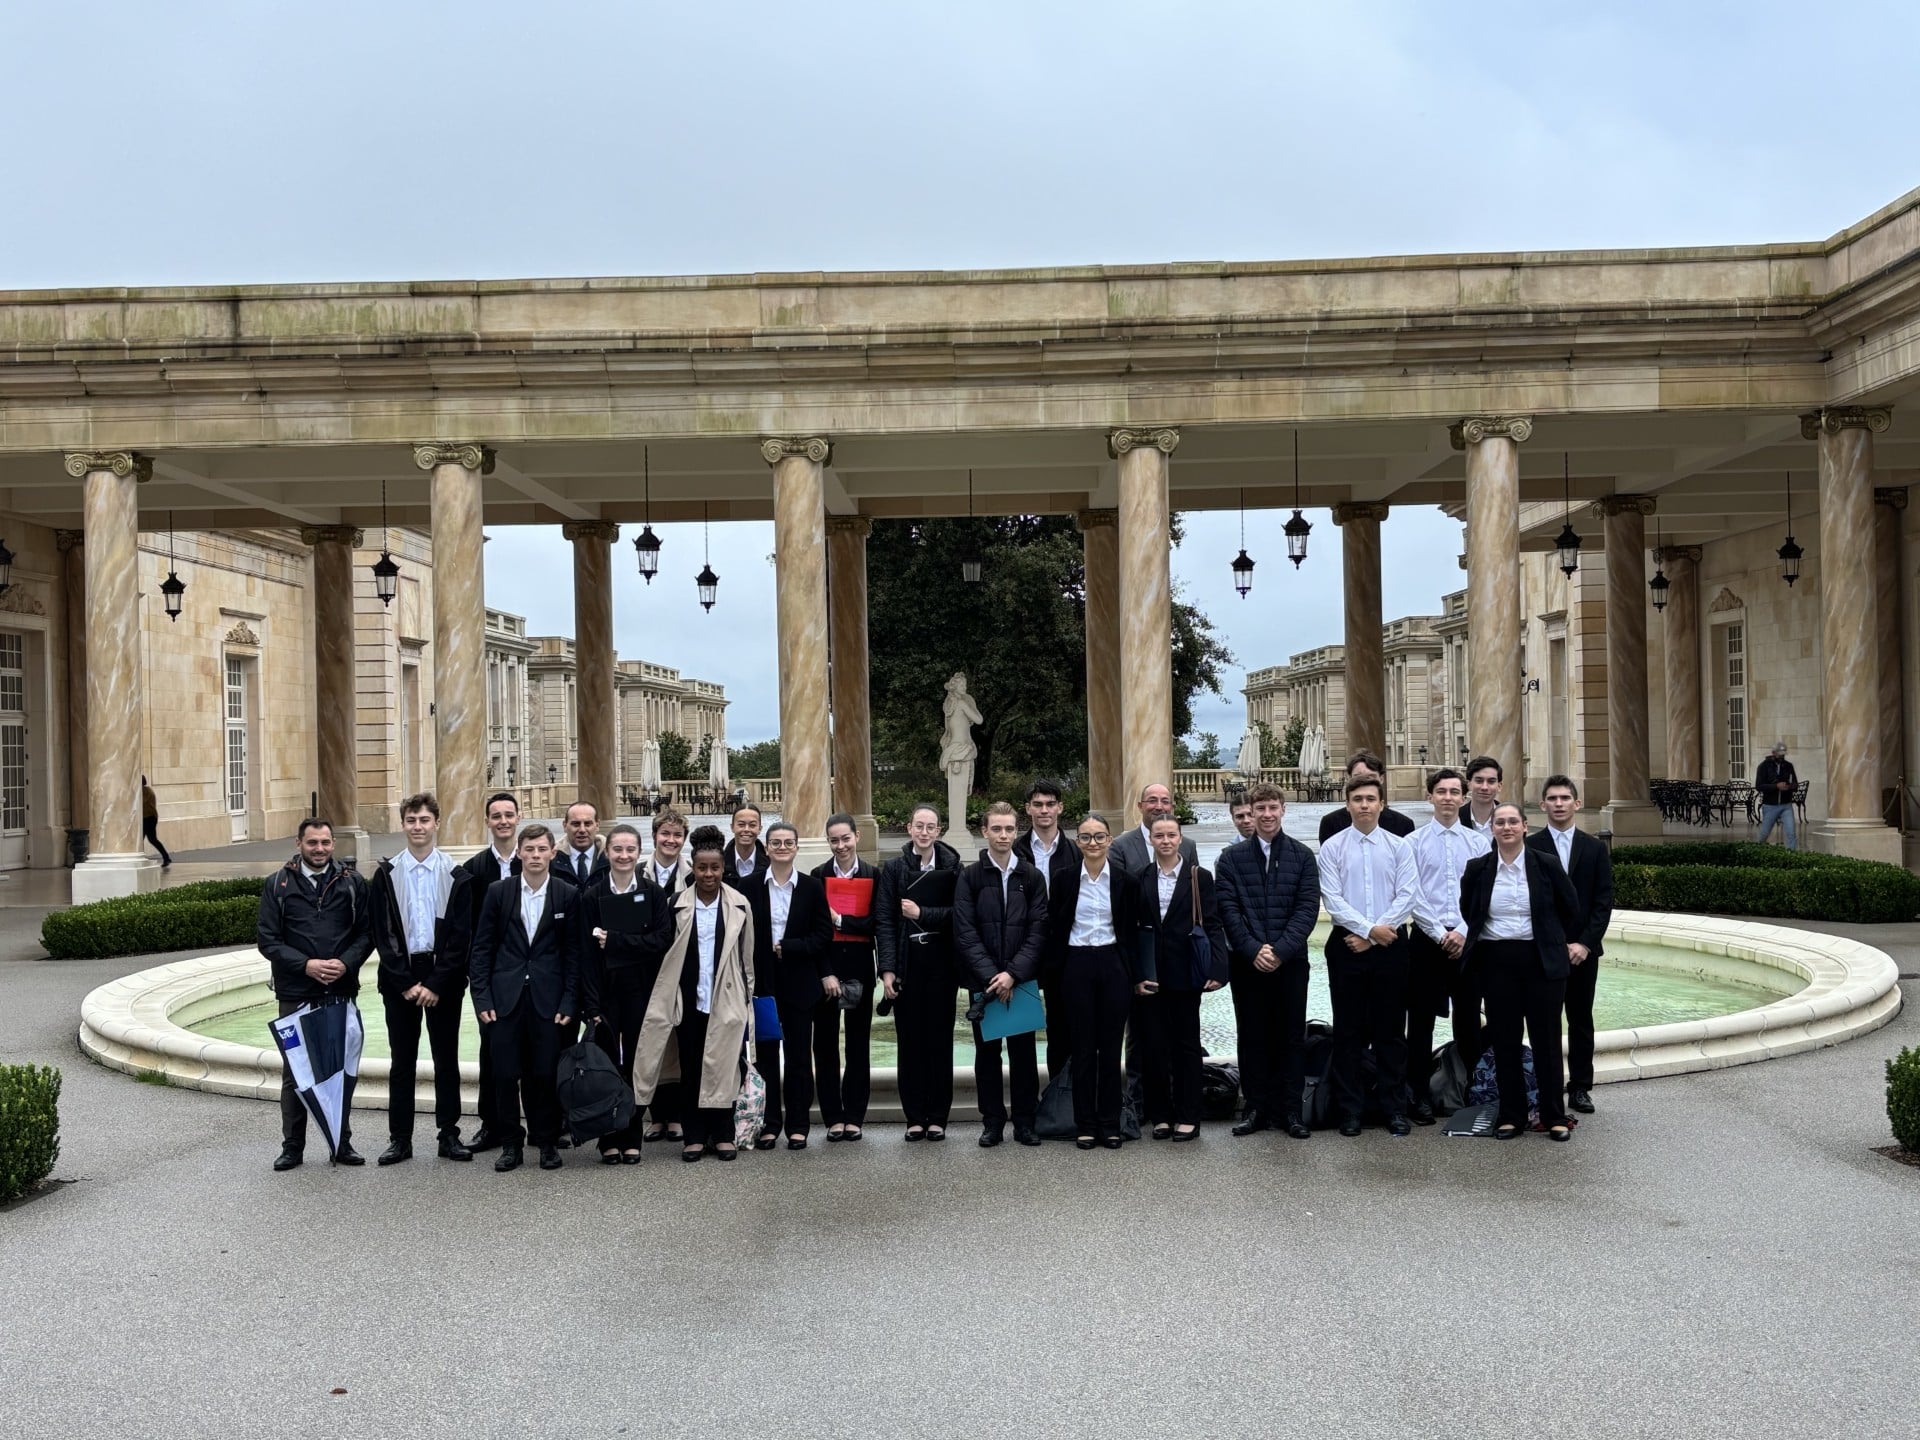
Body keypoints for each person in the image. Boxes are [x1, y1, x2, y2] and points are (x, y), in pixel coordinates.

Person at [1459, 802, 1582, 1141]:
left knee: (1546, 1042)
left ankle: (1553, 1115)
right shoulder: (1478, 868)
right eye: (1500, 822)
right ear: (1492, 829)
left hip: (1541, 962)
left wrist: (1552, 938)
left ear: (1525, 826)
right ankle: (1511, 1116)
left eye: (1513, 821)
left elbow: (1570, 908)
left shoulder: (1547, 865)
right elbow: (1470, 911)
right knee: (1505, 1043)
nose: (1507, 827)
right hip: (1497, 962)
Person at [632, 824, 755, 1162]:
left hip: (726, 1000)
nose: (708, 874)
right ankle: (694, 1134)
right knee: (690, 1067)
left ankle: (723, 1133)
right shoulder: (676, 904)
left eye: (715, 867)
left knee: (726, 1067)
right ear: (693, 867)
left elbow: (748, 959)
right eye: (702, 867)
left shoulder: (740, 905)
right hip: (687, 1000)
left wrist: (747, 1002)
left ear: (722, 868)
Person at [257, 818, 373, 1171]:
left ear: (333, 844)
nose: (319, 849)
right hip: (295, 990)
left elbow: (367, 934)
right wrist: (306, 965)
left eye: (325, 842)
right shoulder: (276, 884)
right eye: (312, 843)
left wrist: (345, 962)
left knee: (340, 1067)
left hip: (340, 988)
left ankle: (341, 1142)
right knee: (295, 1074)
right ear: (299, 843)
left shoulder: (352, 883)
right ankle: (293, 1147)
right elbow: (268, 940)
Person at [368, 792, 474, 1165]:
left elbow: (460, 936)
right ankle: (400, 1139)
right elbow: (383, 934)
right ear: (403, 825)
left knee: (447, 1059)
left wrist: (435, 983)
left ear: (437, 823)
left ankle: (449, 1134)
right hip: (401, 977)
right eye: (411, 820)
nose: (418, 827)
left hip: (441, 977)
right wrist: (405, 982)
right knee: (402, 1062)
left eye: (424, 820)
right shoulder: (386, 874)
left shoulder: (456, 875)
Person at [469, 824, 577, 1173]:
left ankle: (545, 1142)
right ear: (518, 853)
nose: (534, 856)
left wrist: (568, 1002)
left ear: (552, 853)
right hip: (504, 1000)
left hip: (548, 1000)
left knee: (544, 1074)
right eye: (528, 850)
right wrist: (482, 998)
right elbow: (482, 949)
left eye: (541, 849)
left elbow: (574, 955)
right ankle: (510, 1144)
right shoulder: (499, 893)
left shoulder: (566, 894)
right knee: (504, 1074)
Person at [1214, 783, 1319, 1139]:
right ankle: (1256, 1108)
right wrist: (1252, 948)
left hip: (1290, 962)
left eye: (1273, 807)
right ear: (1252, 813)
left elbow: (1306, 910)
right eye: (1261, 809)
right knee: (1253, 1035)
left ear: (1283, 809)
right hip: (1248, 964)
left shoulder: (1303, 856)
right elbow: (1228, 910)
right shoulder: (1231, 859)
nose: (1267, 814)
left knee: (1291, 1036)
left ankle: (1291, 1110)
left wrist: (1281, 950)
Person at [1316, 773, 1419, 1137]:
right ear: (1347, 804)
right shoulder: (1332, 848)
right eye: (1357, 799)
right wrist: (1365, 930)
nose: (1364, 805)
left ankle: (1394, 1108)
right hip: (1347, 948)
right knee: (1348, 1032)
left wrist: (1375, 936)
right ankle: (1350, 1110)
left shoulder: (1399, 846)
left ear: (1381, 804)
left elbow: (1407, 894)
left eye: (1370, 799)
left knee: (1391, 1031)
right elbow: (1332, 899)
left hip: (1390, 948)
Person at [1044, 811, 1154, 1149]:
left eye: (1099, 836)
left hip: (1113, 965)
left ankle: (1109, 1123)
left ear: (1109, 840)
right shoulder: (1062, 878)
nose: (1093, 842)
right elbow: (1054, 927)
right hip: (1075, 964)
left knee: (1109, 1049)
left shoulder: (1126, 880)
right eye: (1087, 837)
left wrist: (1139, 976)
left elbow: (1135, 934)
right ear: (1078, 842)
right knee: (1081, 1048)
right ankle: (1085, 1124)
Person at [575, 822, 676, 1162]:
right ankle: (608, 1140)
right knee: (606, 1067)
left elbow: (662, 941)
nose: (623, 855)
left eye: (630, 849)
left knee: (635, 1064)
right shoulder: (592, 896)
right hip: (604, 995)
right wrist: (590, 1006)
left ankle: (632, 1135)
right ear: (608, 852)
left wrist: (616, 941)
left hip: (641, 992)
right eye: (617, 849)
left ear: (638, 852)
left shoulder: (652, 893)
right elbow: (586, 956)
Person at [954, 801, 1049, 1147]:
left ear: (1016, 831)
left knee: (1024, 1055)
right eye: (997, 828)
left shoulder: (1032, 876)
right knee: (987, 1056)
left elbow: (1039, 930)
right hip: (985, 983)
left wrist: (1013, 974)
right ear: (985, 831)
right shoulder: (970, 876)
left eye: (1009, 829)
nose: (1004, 835)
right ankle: (992, 1121)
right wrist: (994, 977)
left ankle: (1025, 1121)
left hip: (1020, 982)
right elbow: (964, 931)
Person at [1136, 815, 1229, 1143]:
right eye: (1158, 835)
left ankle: (1189, 1116)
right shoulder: (1141, 877)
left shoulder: (1198, 877)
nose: (1164, 840)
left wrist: (1219, 969)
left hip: (1187, 972)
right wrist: (1137, 973)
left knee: (1186, 1046)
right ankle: (1160, 1115)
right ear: (1150, 839)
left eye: (1170, 835)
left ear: (1180, 839)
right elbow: (1135, 930)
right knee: (1154, 1048)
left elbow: (1213, 923)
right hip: (1152, 976)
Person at [874, 804, 963, 1141]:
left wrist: (922, 912)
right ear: (909, 828)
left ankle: (938, 1116)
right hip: (906, 963)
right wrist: (887, 970)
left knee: (940, 1041)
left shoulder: (954, 868)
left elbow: (960, 915)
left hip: (942, 965)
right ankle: (914, 1117)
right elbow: (884, 919)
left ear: (938, 831)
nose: (924, 832)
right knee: (909, 1042)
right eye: (919, 826)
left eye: (931, 827)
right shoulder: (894, 869)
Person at [1407, 768, 1491, 1122]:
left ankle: (1467, 1089)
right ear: (1430, 797)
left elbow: (1486, 894)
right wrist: (1439, 932)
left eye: (1454, 791)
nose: (1447, 798)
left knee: (1469, 1018)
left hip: (1467, 942)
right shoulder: (1411, 843)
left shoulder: (1478, 843)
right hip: (1427, 941)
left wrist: (1461, 930)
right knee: (1421, 1020)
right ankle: (1419, 1095)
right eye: (1441, 791)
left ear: (1463, 797)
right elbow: (1410, 893)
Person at [1528, 775, 1615, 1116]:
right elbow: (1530, 902)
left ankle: (1580, 1087)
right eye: (1553, 798)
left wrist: (1584, 944)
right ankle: (1547, 1087)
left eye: (1565, 798)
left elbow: (1602, 901)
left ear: (1577, 803)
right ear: (1543, 805)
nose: (1559, 803)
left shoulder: (1594, 848)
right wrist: (1551, 943)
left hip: (1583, 953)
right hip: (1543, 952)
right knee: (1545, 1022)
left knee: (1580, 1020)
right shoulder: (1531, 846)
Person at [748, 821, 833, 1148]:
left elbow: (824, 934)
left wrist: (791, 946)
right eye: (775, 842)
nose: (782, 847)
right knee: (766, 1057)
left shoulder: (812, 887)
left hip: (800, 983)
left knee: (799, 1057)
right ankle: (770, 1124)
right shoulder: (749, 886)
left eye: (788, 842)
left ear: (796, 848)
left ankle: (798, 1124)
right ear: (766, 848)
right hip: (764, 985)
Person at [458, 791, 521, 1153]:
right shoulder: (473, 870)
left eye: (508, 815)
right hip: (491, 978)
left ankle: (542, 1123)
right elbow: (466, 930)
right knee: (490, 1051)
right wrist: (476, 979)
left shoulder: (533, 861)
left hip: (527, 975)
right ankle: (491, 1124)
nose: (502, 821)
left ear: (518, 818)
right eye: (495, 815)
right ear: (487, 821)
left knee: (532, 1051)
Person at [812, 813, 878, 1141]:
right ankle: (833, 1118)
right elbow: (813, 932)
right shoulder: (816, 876)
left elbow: (877, 924)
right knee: (824, 1046)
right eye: (834, 840)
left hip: (861, 970)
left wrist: (841, 921)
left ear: (856, 838)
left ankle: (854, 1116)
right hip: (827, 973)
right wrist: (825, 972)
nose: (841, 846)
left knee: (857, 1045)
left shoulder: (874, 876)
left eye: (845, 838)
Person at [1016, 778, 1081, 1076]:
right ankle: (1027, 1110)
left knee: (1063, 1027)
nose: (1044, 810)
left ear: (1060, 807)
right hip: (1023, 949)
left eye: (1050, 804)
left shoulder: (1074, 852)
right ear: (1028, 808)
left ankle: (1060, 1101)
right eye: (1038, 804)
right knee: (1021, 1032)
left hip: (1063, 951)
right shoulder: (1015, 851)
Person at [1317, 750, 1418, 842]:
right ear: (1348, 778)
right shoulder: (1330, 823)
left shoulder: (1403, 824)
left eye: (1370, 777)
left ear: (1381, 779)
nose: (1364, 782)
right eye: (1358, 777)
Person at [1109, 783, 1198, 874]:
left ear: (1171, 807)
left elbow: (1195, 883)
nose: (1159, 807)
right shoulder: (1120, 846)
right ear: (1140, 806)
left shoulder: (1188, 846)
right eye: (1152, 801)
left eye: (1165, 801)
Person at [1756, 742, 1800, 850]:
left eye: (1783, 754)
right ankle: (1757, 851)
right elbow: (1759, 786)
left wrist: (1789, 787)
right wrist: (1776, 786)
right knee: (1764, 833)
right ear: (1773, 753)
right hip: (1770, 805)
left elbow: (1795, 784)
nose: (1782, 756)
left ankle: (1792, 856)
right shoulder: (1764, 766)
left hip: (1786, 805)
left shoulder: (1788, 766)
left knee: (1791, 833)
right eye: (1780, 754)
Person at [558, 800, 609, 888]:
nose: (582, 830)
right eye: (576, 824)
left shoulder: (612, 859)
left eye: (587, 824)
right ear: (565, 826)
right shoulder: (551, 861)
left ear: (597, 825)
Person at [647, 808, 693, 892]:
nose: (671, 840)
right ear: (654, 836)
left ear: (684, 839)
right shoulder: (637, 874)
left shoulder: (692, 877)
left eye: (677, 835)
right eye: (665, 834)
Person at [725, 802, 768, 885]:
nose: (746, 829)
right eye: (741, 825)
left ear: (760, 829)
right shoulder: (720, 863)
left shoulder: (771, 863)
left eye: (752, 825)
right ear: (732, 827)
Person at [1460, 755, 1504, 830]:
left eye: (1491, 781)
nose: (1484, 787)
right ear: (1469, 784)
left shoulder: (1512, 819)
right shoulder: (1455, 819)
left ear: (1499, 786)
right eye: (1479, 781)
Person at [140, 775, 171, 868]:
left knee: (152, 839)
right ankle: (166, 857)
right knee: (146, 840)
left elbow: (140, 802)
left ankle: (166, 857)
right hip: (146, 818)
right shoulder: (143, 790)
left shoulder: (145, 791)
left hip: (149, 818)